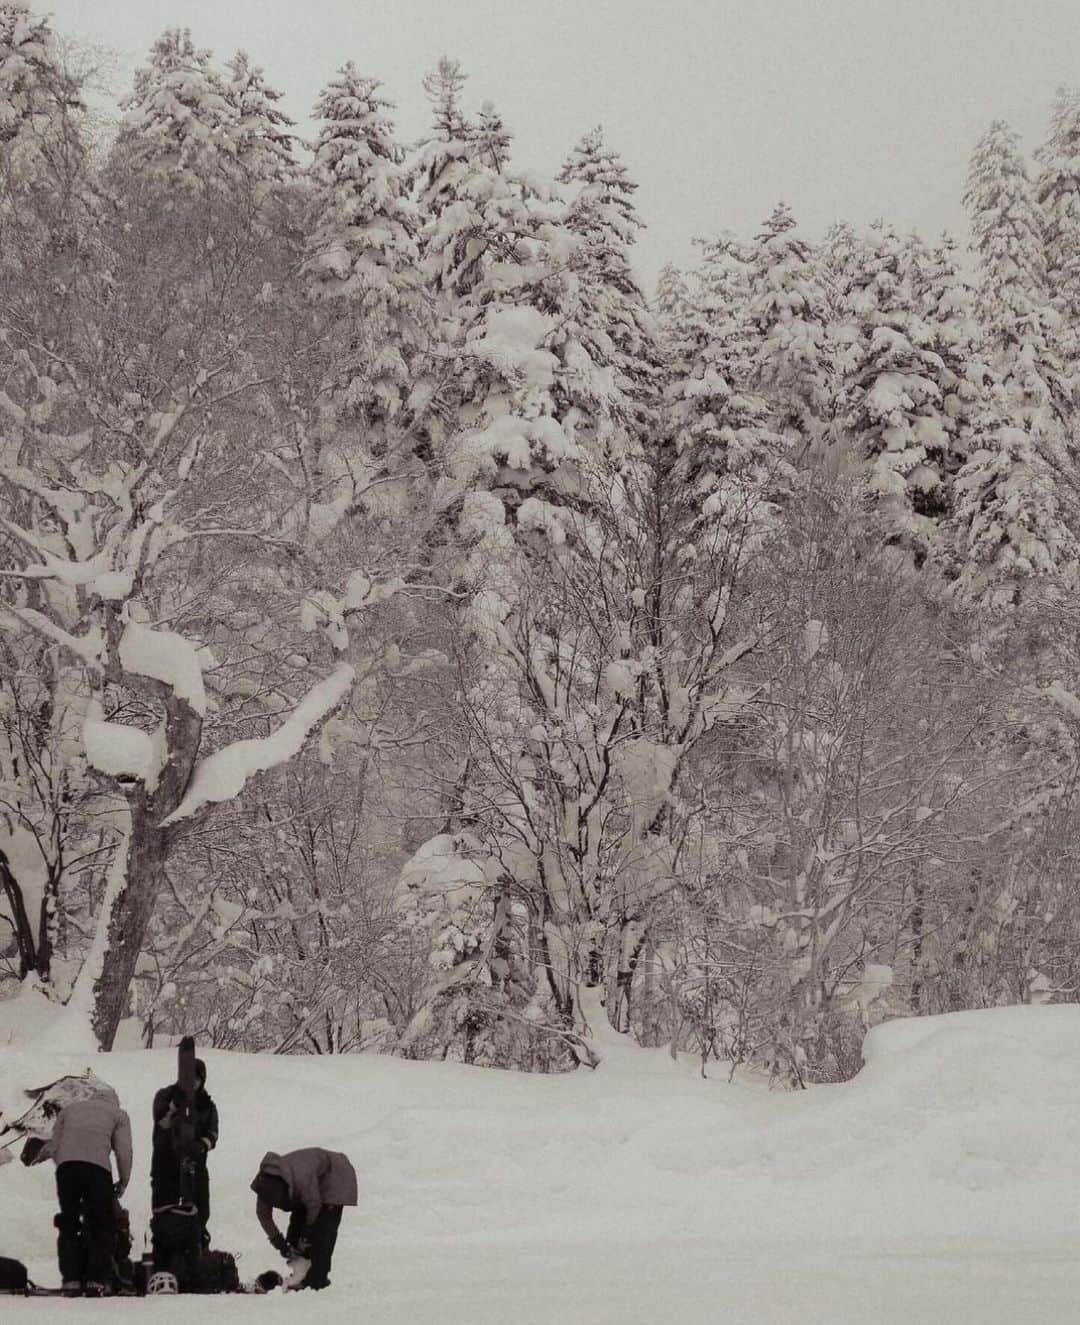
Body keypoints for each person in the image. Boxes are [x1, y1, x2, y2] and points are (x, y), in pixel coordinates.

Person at [40, 1087, 132, 1298]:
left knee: (69, 1222)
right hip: (97, 1170)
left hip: (66, 1168)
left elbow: (54, 1145)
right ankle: (96, 1280)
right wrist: (123, 1181)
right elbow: (124, 1150)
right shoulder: (118, 1114)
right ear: (114, 1101)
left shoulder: (71, 1109)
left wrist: (66, 1165)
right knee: (102, 1223)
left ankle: (71, 1280)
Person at [250, 1148, 357, 1291]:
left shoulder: (302, 1177)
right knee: (296, 1230)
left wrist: (307, 1234)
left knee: (322, 1232)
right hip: (311, 1184)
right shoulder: (265, 1184)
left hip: (336, 1175)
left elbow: (313, 1205)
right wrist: (280, 1243)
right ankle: (301, 1273)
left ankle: (316, 1280)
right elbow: (263, 1215)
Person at [150, 1056, 218, 1241]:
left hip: (195, 1167)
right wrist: (174, 1106)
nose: (193, 1082)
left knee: (200, 1215)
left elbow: (214, 1134)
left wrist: (201, 1145)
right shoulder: (165, 1095)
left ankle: (197, 1253)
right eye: (189, 1077)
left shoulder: (208, 1105)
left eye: (197, 1078)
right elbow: (161, 1120)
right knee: (164, 1213)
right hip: (166, 1164)